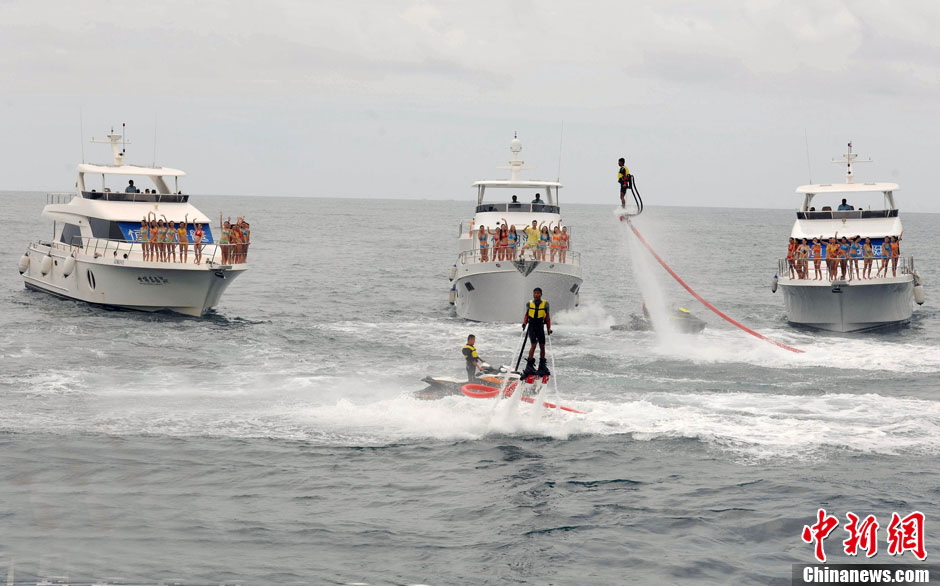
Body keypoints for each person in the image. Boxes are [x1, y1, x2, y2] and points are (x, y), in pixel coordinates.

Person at [521, 287, 552, 377]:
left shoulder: (546, 304)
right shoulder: (529, 304)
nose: (536, 295)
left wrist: (549, 328)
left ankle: (542, 365)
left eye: (538, 293)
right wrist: (524, 323)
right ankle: (529, 365)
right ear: (533, 294)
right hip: (532, 327)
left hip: (540, 326)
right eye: (535, 293)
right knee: (533, 345)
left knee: (542, 346)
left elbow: (548, 317)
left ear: (541, 294)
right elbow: (526, 315)